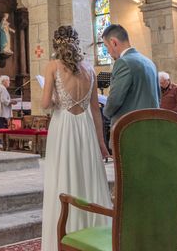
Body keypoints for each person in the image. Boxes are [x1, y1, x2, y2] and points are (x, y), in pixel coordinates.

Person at [41, 26, 111, 251]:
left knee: (63, 174)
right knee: (87, 175)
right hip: (86, 127)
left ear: (56, 45)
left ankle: (66, 234)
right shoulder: (90, 69)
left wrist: (52, 97)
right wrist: (102, 143)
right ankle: (94, 233)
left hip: (64, 126)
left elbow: (45, 105)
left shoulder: (53, 66)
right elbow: (96, 111)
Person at [101, 24, 159, 126]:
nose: (108, 52)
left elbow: (115, 100)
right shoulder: (149, 62)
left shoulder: (123, 62)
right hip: (151, 124)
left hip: (129, 128)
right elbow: (158, 97)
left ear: (113, 42)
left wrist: (104, 113)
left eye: (106, 46)